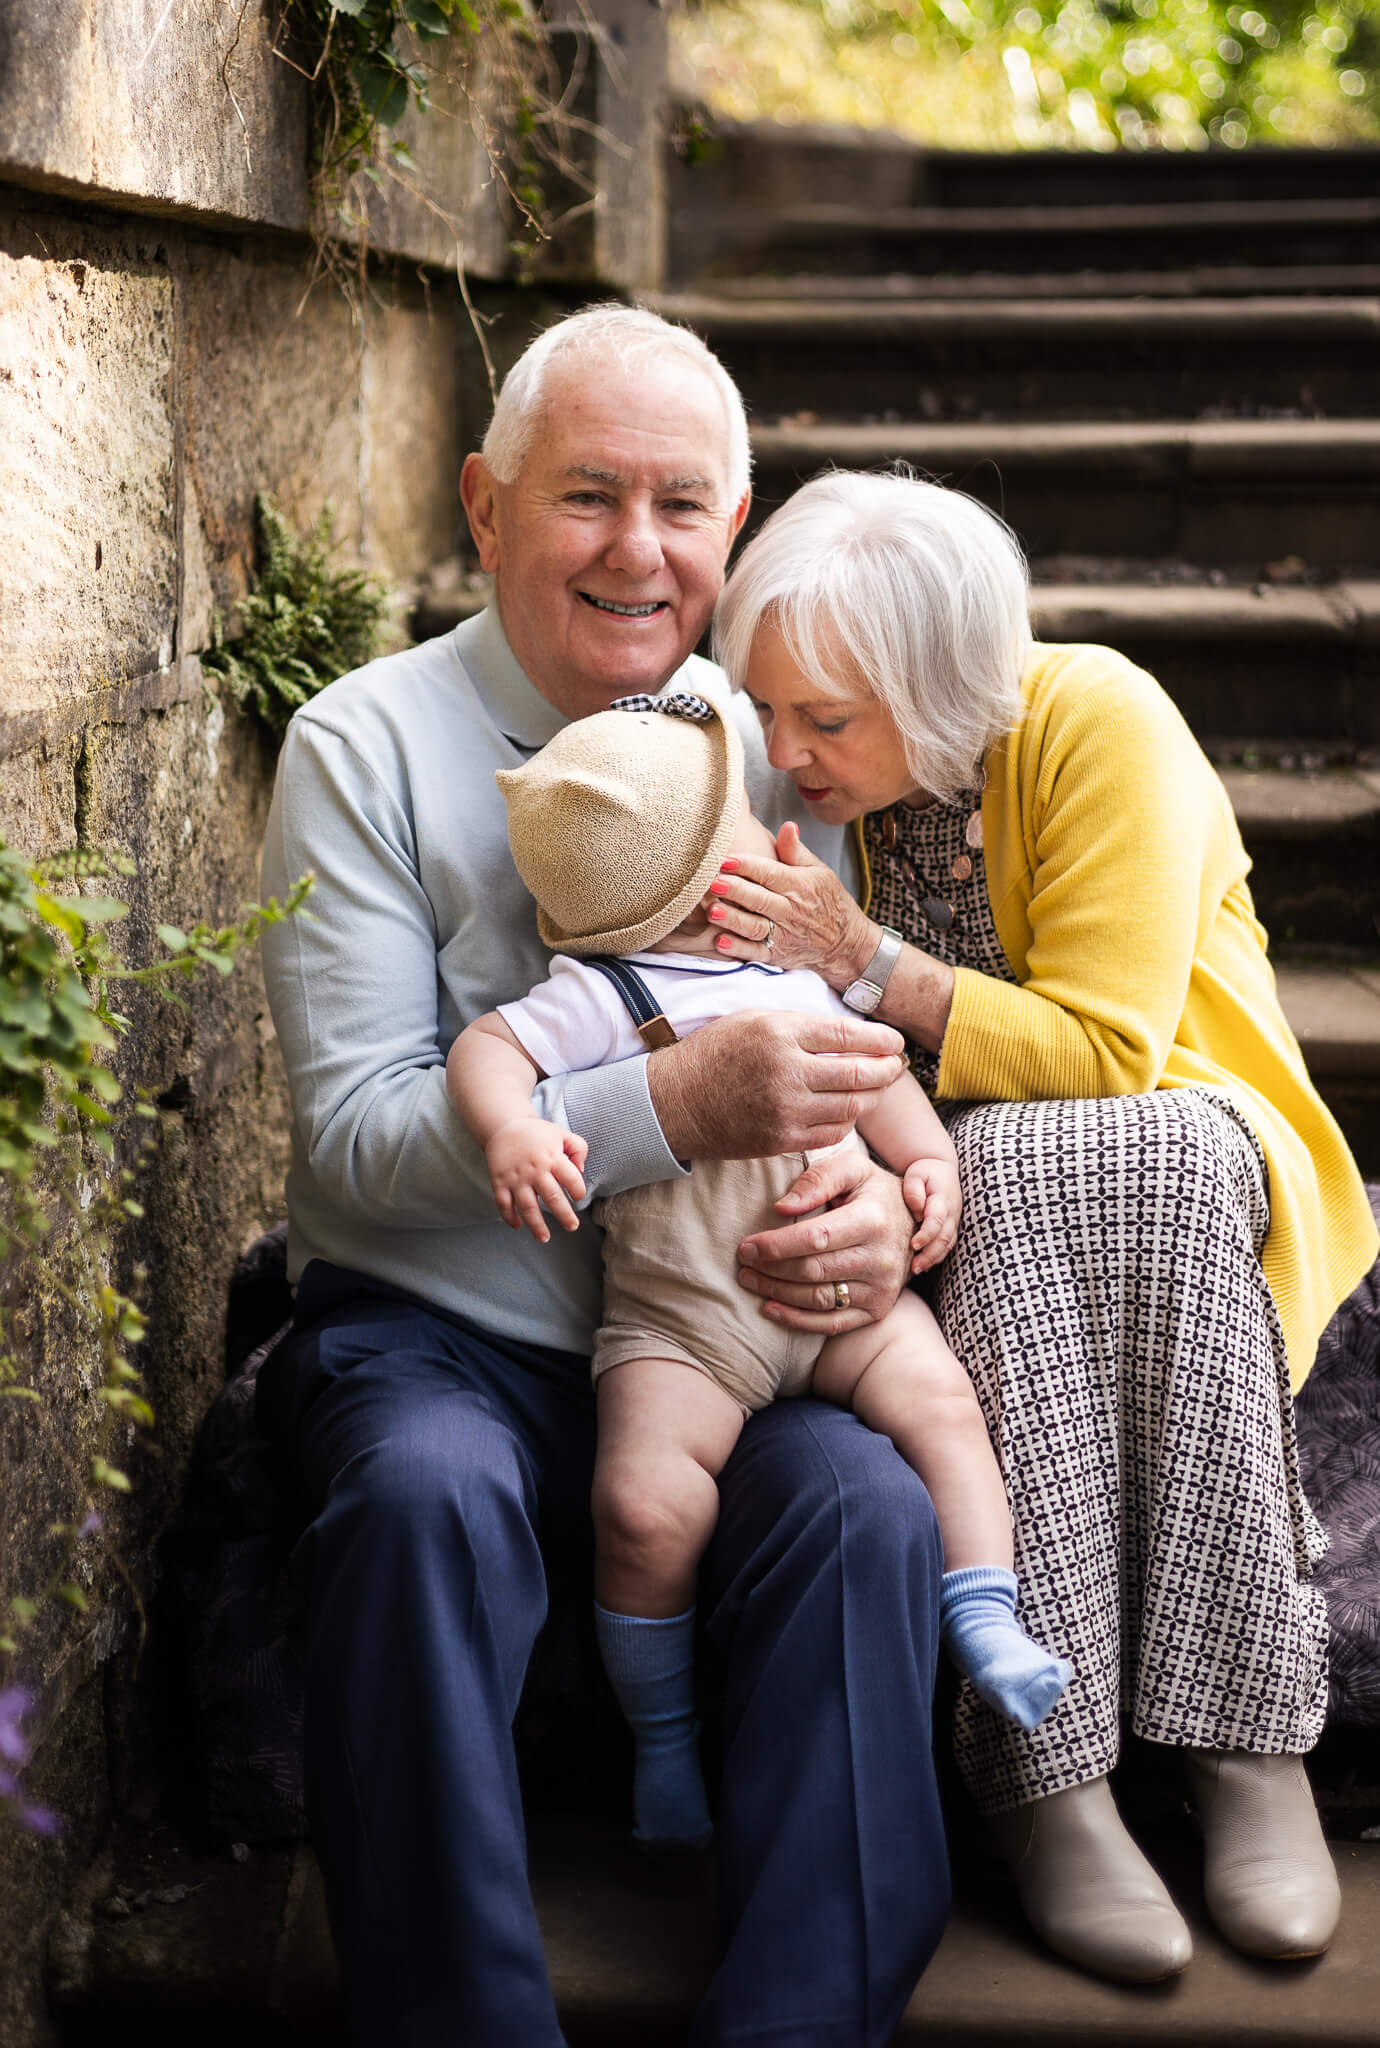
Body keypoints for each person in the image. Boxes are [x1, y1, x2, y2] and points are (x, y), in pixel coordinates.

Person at [254, 308, 952, 2047]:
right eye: (586, 496)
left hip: (731, 1322)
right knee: (420, 1496)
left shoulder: (762, 732)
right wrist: (670, 1104)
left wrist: (880, 1208)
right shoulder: (361, 748)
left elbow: (843, 1027)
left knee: (868, 1512)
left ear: (739, 521)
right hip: (439, 1336)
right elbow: (354, 1141)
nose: (639, 550)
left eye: (683, 505)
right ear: (484, 510)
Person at [701, 466, 1380, 1987]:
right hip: (940, 1150)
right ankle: (1053, 1781)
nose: (789, 756)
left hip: (1191, 1122)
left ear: (938, 690)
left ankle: (1243, 1741)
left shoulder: (1097, 718)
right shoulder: (802, 784)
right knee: (998, 1168)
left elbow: (1106, 1050)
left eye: (828, 720)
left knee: (1071, 1155)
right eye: (773, 713)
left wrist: (863, 960)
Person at [446, 694, 1072, 1849]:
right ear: (685, 899)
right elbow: (488, 1048)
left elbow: (886, 1081)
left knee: (946, 1405)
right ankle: (667, 1736)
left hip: (844, 1310)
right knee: (640, 1505)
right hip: (686, 1329)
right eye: (743, 828)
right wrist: (515, 1132)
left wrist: (922, 1167)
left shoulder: (798, 972)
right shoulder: (609, 993)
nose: (782, 838)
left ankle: (987, 1610)